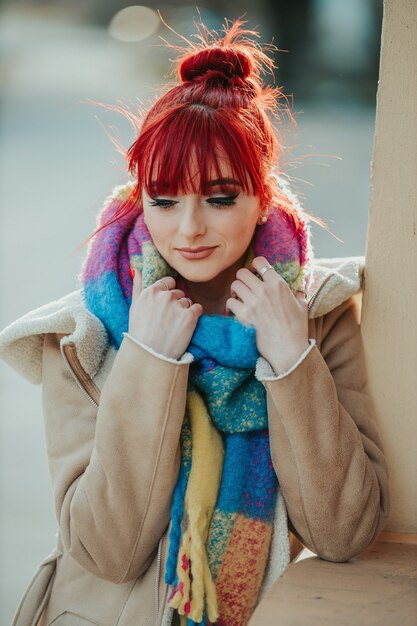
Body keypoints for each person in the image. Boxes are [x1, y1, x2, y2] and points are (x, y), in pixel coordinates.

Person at [0, 18, 389, 626]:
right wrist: (147, 362)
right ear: (140, 198)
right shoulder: (83, 336)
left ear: (264, 196)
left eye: (220, 197)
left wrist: (289, 358)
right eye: (164, 199)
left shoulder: (316, 317)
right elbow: (109, 550)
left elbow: (343, 532)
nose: (188, 230)